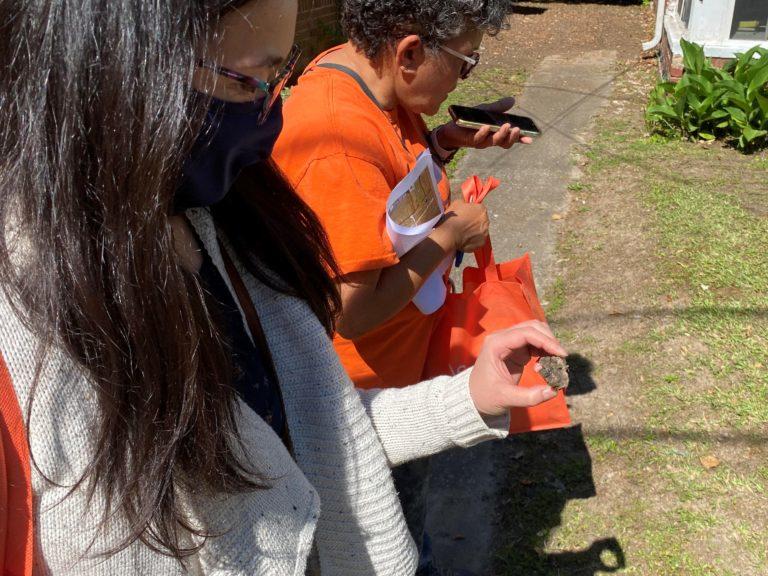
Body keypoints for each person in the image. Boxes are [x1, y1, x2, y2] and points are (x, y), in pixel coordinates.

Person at [0, 1, 564, 574]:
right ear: (126, 68)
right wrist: (447, 237)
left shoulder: (212, 217)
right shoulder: (46, 339)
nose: (272, 118)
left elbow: (306, 428)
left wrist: (466, 398)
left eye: (280, 76)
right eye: (251, 81)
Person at [272, 1, 531, 568]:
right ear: (410, 51)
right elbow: (350, 309)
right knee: (392, 542)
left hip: (401, 372)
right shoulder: (339, 145)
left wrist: (443, 145)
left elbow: (390, 198)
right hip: (369, 406)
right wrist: (451, 234)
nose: (467, 76)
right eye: (466, 61)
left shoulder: (368, 79)